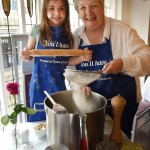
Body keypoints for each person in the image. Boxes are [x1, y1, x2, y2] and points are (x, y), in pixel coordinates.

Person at [67, 0, 150, 138]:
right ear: (78, 11)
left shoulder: (123, 31)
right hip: (91, 110)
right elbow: (72, 75)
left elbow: (148, 59)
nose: (88, 12)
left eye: (94, 5)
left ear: (102, 7)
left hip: (124, 109)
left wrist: (123, 64)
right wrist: (79, 88)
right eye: (82, 8)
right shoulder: (75, 38)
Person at [20, 0, 75, 122]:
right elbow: (29, 54)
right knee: (39, 120)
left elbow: (66, 61)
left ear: (66, 11)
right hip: (39, 84)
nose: (57, 13)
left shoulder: (68, 35)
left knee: (59, 120)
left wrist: (82, 58)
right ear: (45, 10)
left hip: (59, 85)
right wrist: (25, 54)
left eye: (61, 8)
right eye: (51, 8)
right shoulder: (37, 30)